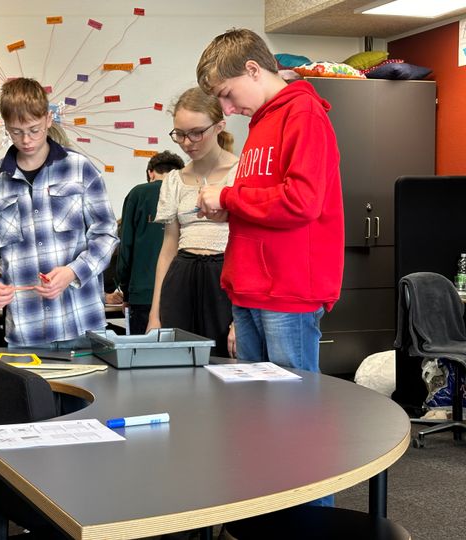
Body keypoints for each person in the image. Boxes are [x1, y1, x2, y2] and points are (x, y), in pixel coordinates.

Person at [196, 30, 343, 508]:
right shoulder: (262, 122)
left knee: (293, 423)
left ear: (254, 70)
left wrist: (229, 197)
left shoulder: (303, 114)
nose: (229, 109)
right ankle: (270, 519)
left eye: (226, 94)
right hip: (252, 289)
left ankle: (310, 525)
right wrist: (229, 209)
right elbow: (265, 202)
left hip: (288, 291)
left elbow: (302, 201)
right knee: (258, 422)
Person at [0, 77, 118, 349]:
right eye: (16, 131)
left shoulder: (80, 170)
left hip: (82, 325)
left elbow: (106, 234)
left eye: (34, 129)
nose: (26, 140)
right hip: (26, 331)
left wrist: (73, 272)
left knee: (89, 393)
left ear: (49, 119)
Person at [147, 88, 239, 357]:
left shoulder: (241, 172)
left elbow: (251, 246)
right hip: (181, 278)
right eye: (180, 134)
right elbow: (167, 251)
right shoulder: (174, 180)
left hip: (225, 279)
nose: (188, 142)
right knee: (177, 371)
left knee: (226, 369)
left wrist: (241, 317)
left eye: (197, 132)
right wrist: (155, 315)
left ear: (219, 126)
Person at [117, 151, 184, 334]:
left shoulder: (138, 193)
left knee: (144, 355)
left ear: (150, 172)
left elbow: (126, 246)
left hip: (143, 292)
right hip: (181, 292)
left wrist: (126, 291)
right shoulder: (185, 192)